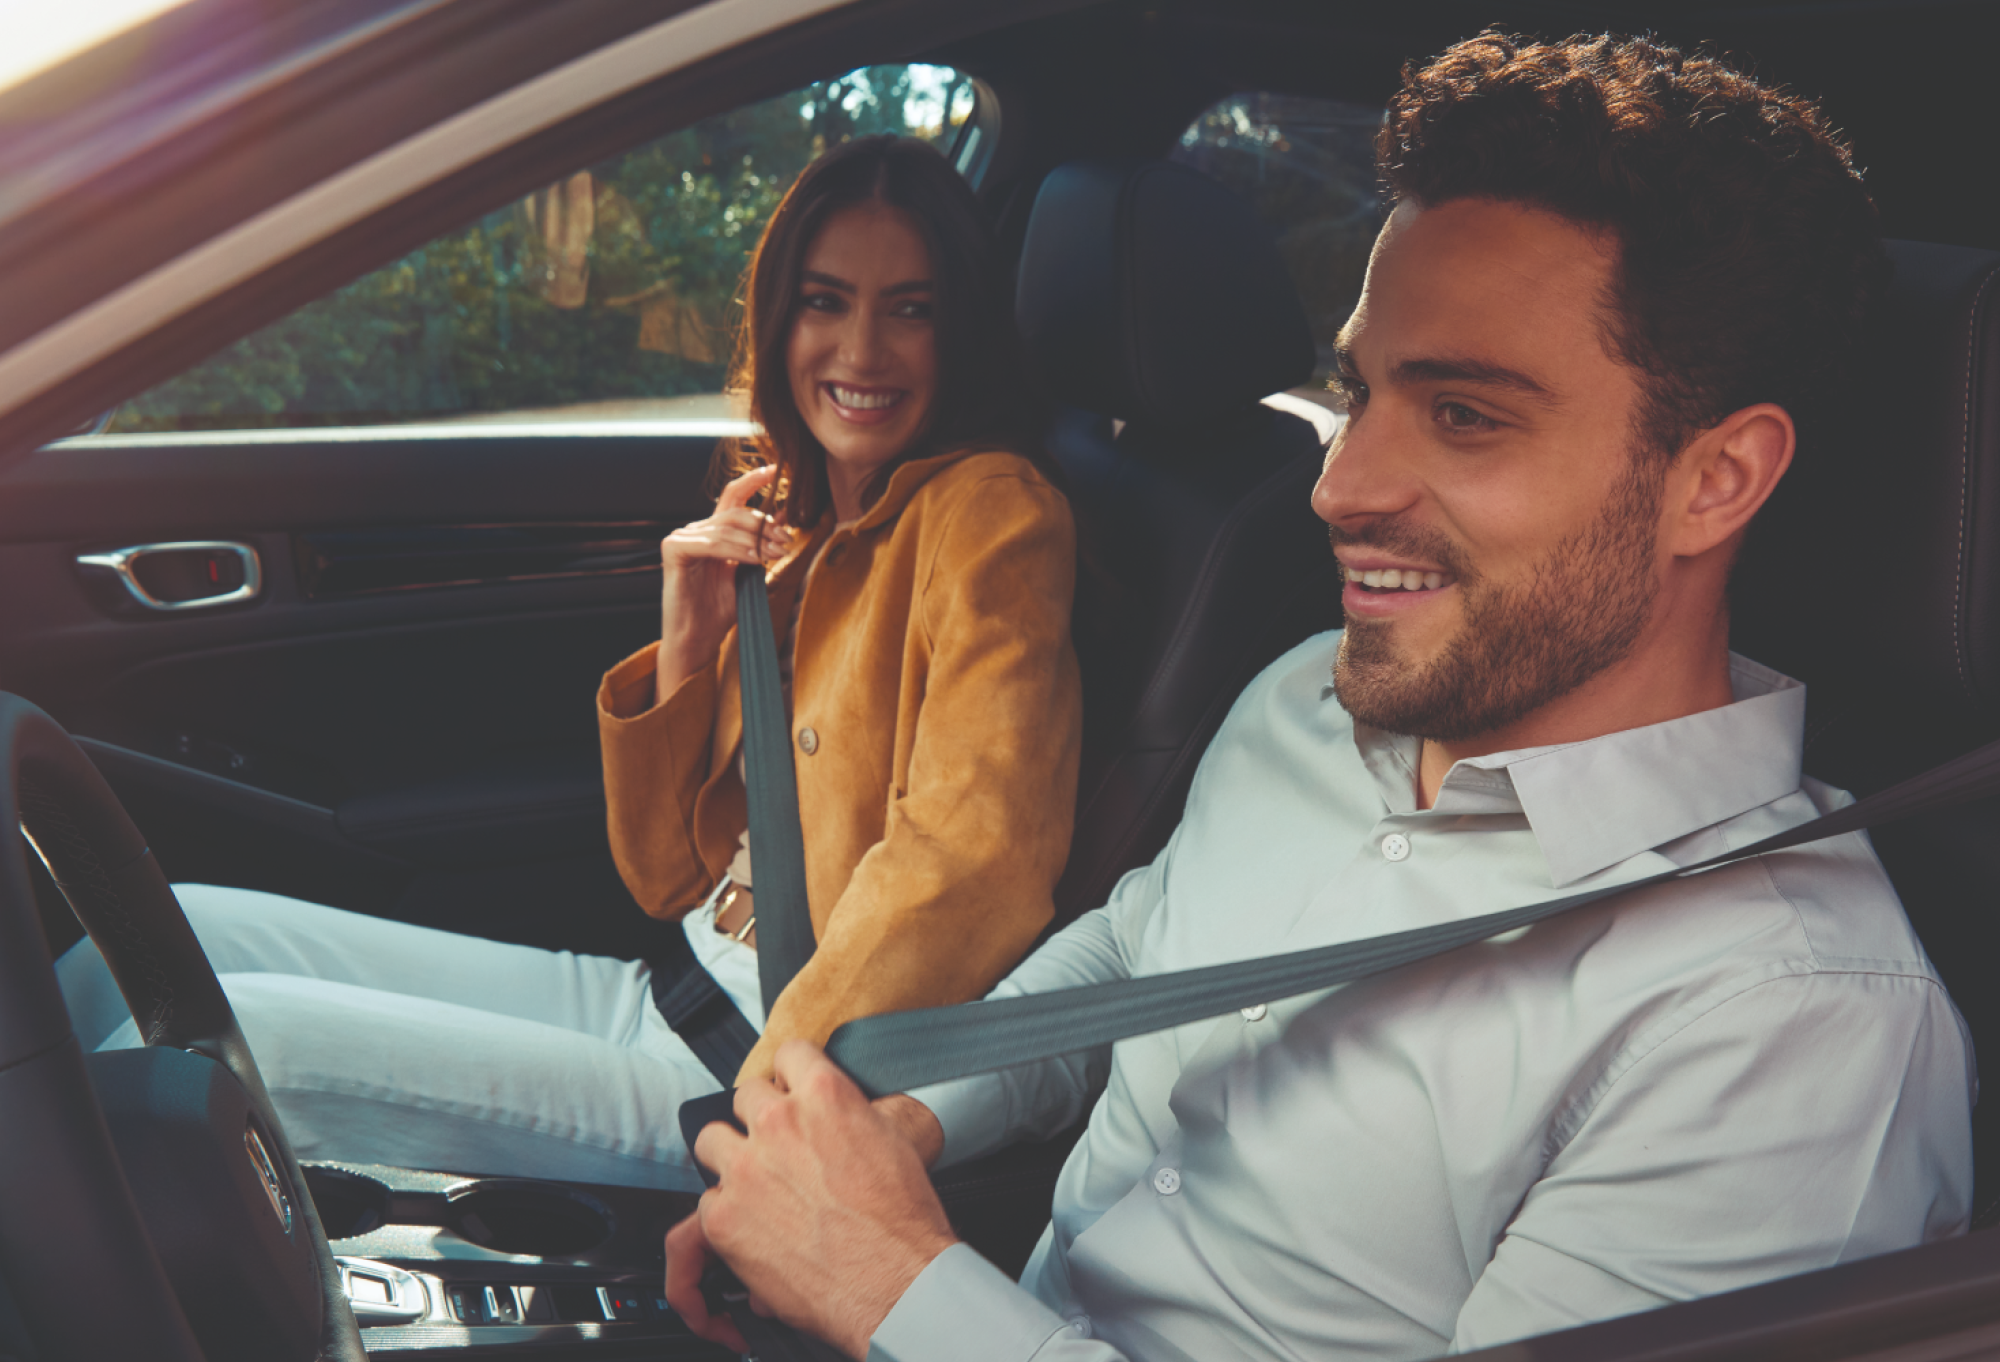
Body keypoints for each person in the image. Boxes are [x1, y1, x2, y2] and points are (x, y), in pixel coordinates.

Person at [661, 33, 1976, 1359]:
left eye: (1464, 415)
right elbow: (1131, 952)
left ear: (1715, 480)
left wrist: (890, 1283)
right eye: (1358, 388)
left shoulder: (1786, 1026)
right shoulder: (1305, 695)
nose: (1338, 487)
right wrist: (897, 1122)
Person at [55, 135, 1082, 1191]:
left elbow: (972, 856)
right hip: (664, 990)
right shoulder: (804, 524)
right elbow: (665, 877)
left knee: (231, 1049)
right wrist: (691, 635)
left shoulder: (991, 516)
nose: (860, 350)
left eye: (909, 310)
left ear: (960, 331)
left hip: (760, 1073)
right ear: (781, 319)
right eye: (826, 302)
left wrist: (769, 1111)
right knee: (173, 935)